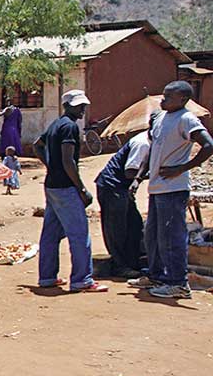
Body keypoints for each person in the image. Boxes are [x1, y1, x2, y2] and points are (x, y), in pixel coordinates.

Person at [134, 81, 213, 299]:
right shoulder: (160, 117)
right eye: (164, 96)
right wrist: (140, 176)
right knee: (153, 236)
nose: (163, 100)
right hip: (157, 187)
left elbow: (208, 145)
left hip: (173, 188)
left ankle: (178, 283)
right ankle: (157, 275)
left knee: (171, 237)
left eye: (168, 97)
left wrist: (182, 168)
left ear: (183, 100)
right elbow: (153, 148)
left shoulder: (186, 119)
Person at [33, 90, 105, 292]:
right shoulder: (70, 127)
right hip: (65, 186)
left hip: (52, 185)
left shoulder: (56, 125)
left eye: (83, 105)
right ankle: (82, 279)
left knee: (51, 233)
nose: (83, 109)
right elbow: (68, 160)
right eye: (79, 106)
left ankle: (47, 277)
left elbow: (36, 145)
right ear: (67, 106)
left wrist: (50, 166)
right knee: (79, 234)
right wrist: (81, 188)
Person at [95, 132, 150, 278]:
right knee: (116, 228)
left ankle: (133, 262)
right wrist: (154, 174)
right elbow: (130, 171)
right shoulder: (142, 144)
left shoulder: (150, 142)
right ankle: (120, 266)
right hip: (113, 186)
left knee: (135, 225)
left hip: (121, 187)